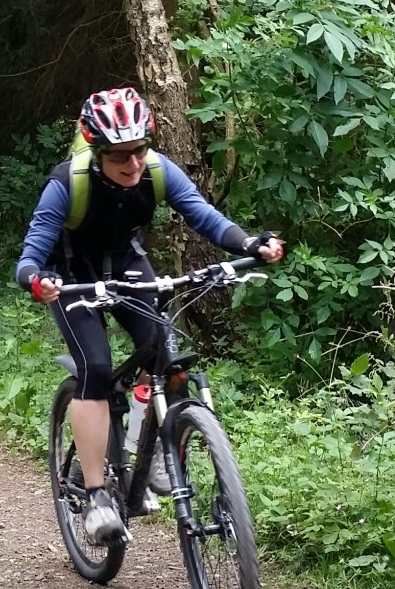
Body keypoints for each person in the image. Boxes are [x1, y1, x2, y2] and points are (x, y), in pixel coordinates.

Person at [16, 87, 283, 545]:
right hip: (70, 275)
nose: (133, 163)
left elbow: (203, 215)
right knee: (96, 369)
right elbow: (31, 254)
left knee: (168, 361)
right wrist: (37, 279)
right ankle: (97, 497)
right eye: (120, 155)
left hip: (127, 266)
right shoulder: (67, 183)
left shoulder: (157, 170)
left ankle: (156, 447)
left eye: (139, 149)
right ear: (97, 152)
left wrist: (247, 243)